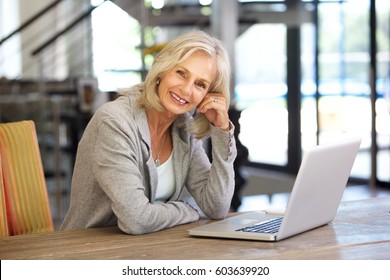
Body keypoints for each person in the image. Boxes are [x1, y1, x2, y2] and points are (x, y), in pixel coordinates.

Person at [60, 30, 237, 235]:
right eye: (181, 73)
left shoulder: (183, 129)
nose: (187, 90)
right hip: (88, 253)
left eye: (200, 84)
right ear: (162, 69)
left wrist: (222, 131)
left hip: (148, 250)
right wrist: (186, 210)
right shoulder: (114, 122)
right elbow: (137, 220)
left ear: (208, 94)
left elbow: (217, 206)